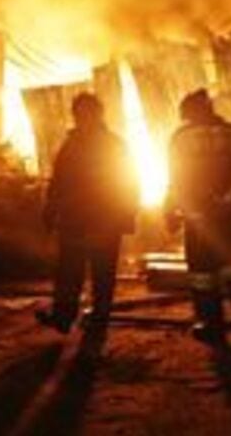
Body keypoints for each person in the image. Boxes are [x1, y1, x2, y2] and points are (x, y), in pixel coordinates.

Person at [164, 88, 231, 346]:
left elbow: (175, 178)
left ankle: (212, 327)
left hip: (199, 216)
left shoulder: (181, 138)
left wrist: (170, 211)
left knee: (202, 273)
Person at [36, 93, 138, 334]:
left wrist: (126, 214)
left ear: (98, 114)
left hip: (104, 218)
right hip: (77, 218)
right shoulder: (74, 146)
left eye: (86, 113)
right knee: (70, 269)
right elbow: (58, 180)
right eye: (79, 114)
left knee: (101, 272)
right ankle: (64, 316)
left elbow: (128, 181)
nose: (82, 118)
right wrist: (51, 209)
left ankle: (98, 319)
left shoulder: (112, 145)